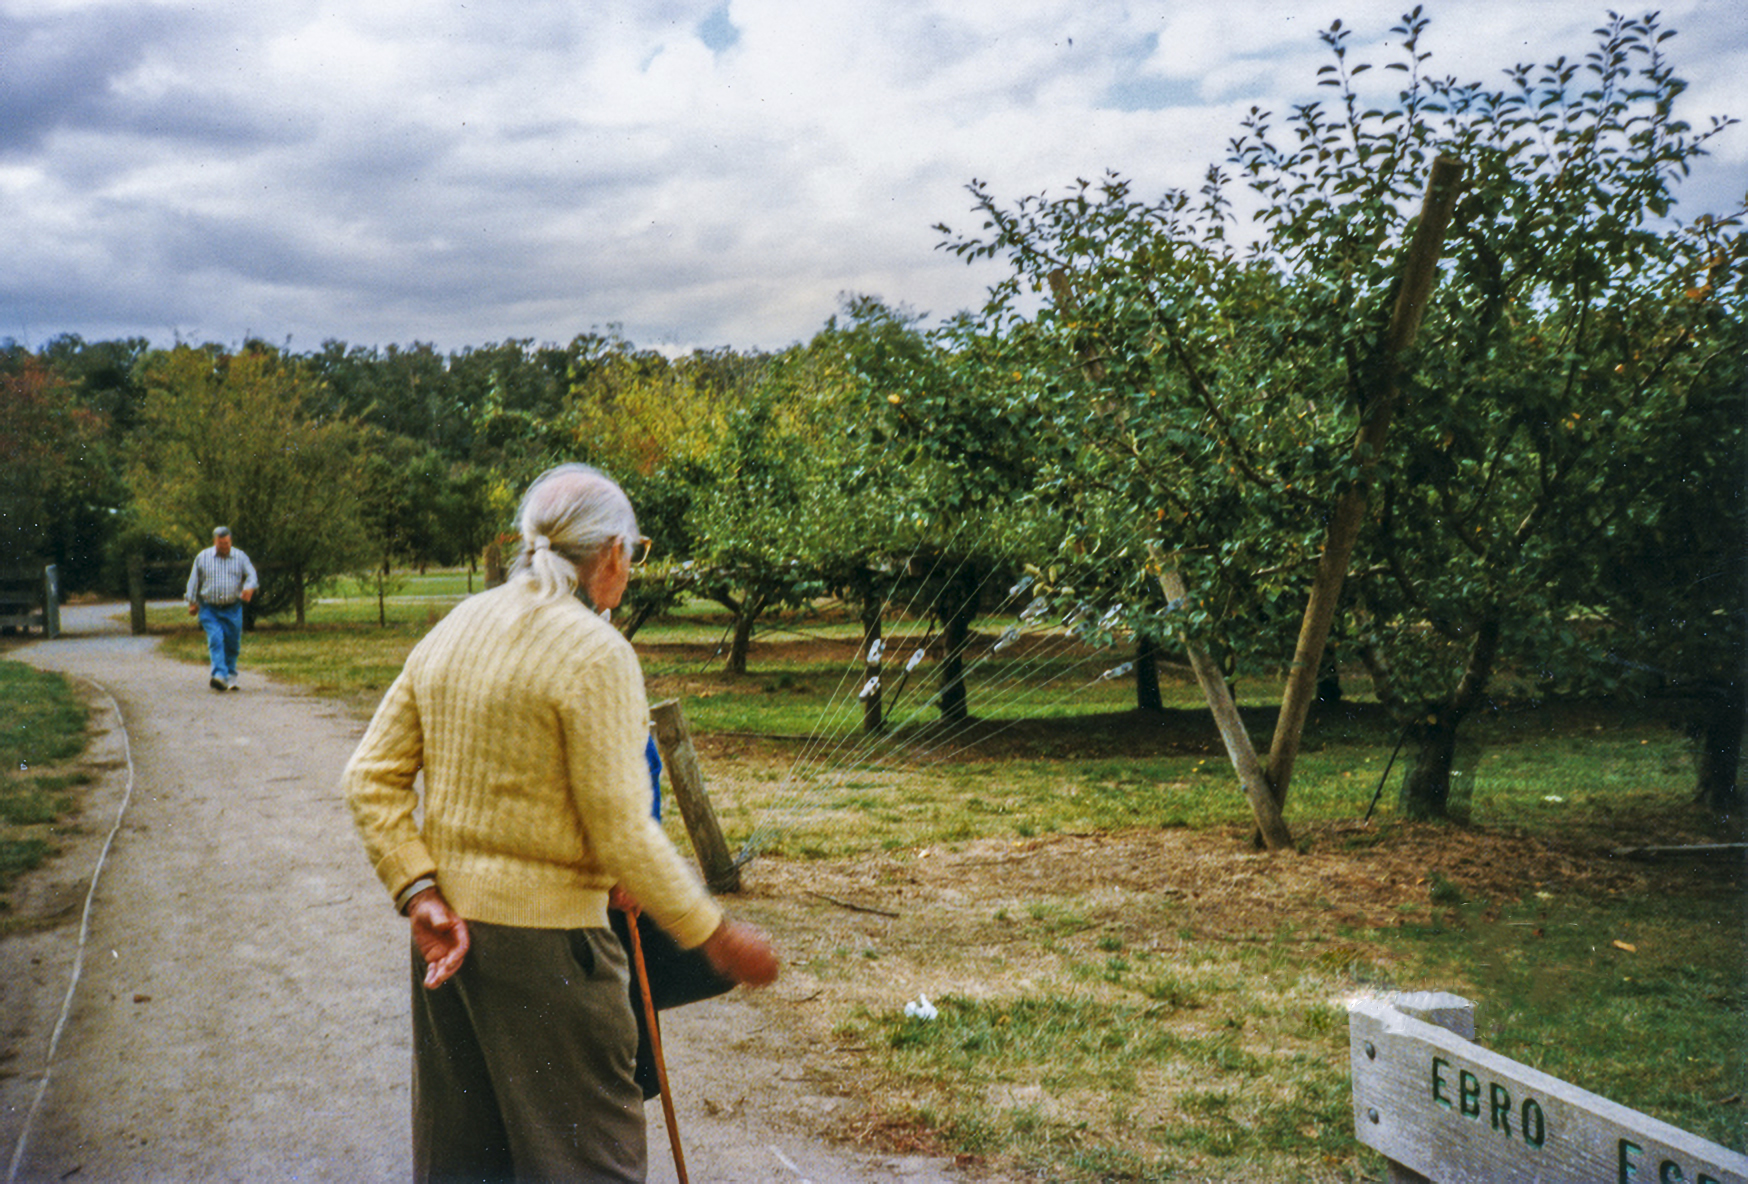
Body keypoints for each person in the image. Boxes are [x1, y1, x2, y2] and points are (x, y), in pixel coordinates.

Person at [343, 463, 779, 1182]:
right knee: (587, 1164)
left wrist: (420, 894)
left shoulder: (458, 626)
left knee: (467, 1167)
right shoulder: (596, 652)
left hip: (447, 947)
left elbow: (368, 776)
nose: (631, 571)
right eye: (634, 556)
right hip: (555, 957)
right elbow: (624, 830)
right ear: (612, 553)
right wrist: (717, 937)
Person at [184, 525, 258, 691]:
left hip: (233, 607)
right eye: (221, 543)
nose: (224, 547)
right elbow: (194, 581)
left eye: (227, 543)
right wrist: (192, 602)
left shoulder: (240, 556)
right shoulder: (203, 557)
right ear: (214, 542)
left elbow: (252, 575)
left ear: (230, 541)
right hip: (209, 608)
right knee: (216, 639)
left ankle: (230, 677)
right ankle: (219, 675)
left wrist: (249, 587)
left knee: (232, 643)